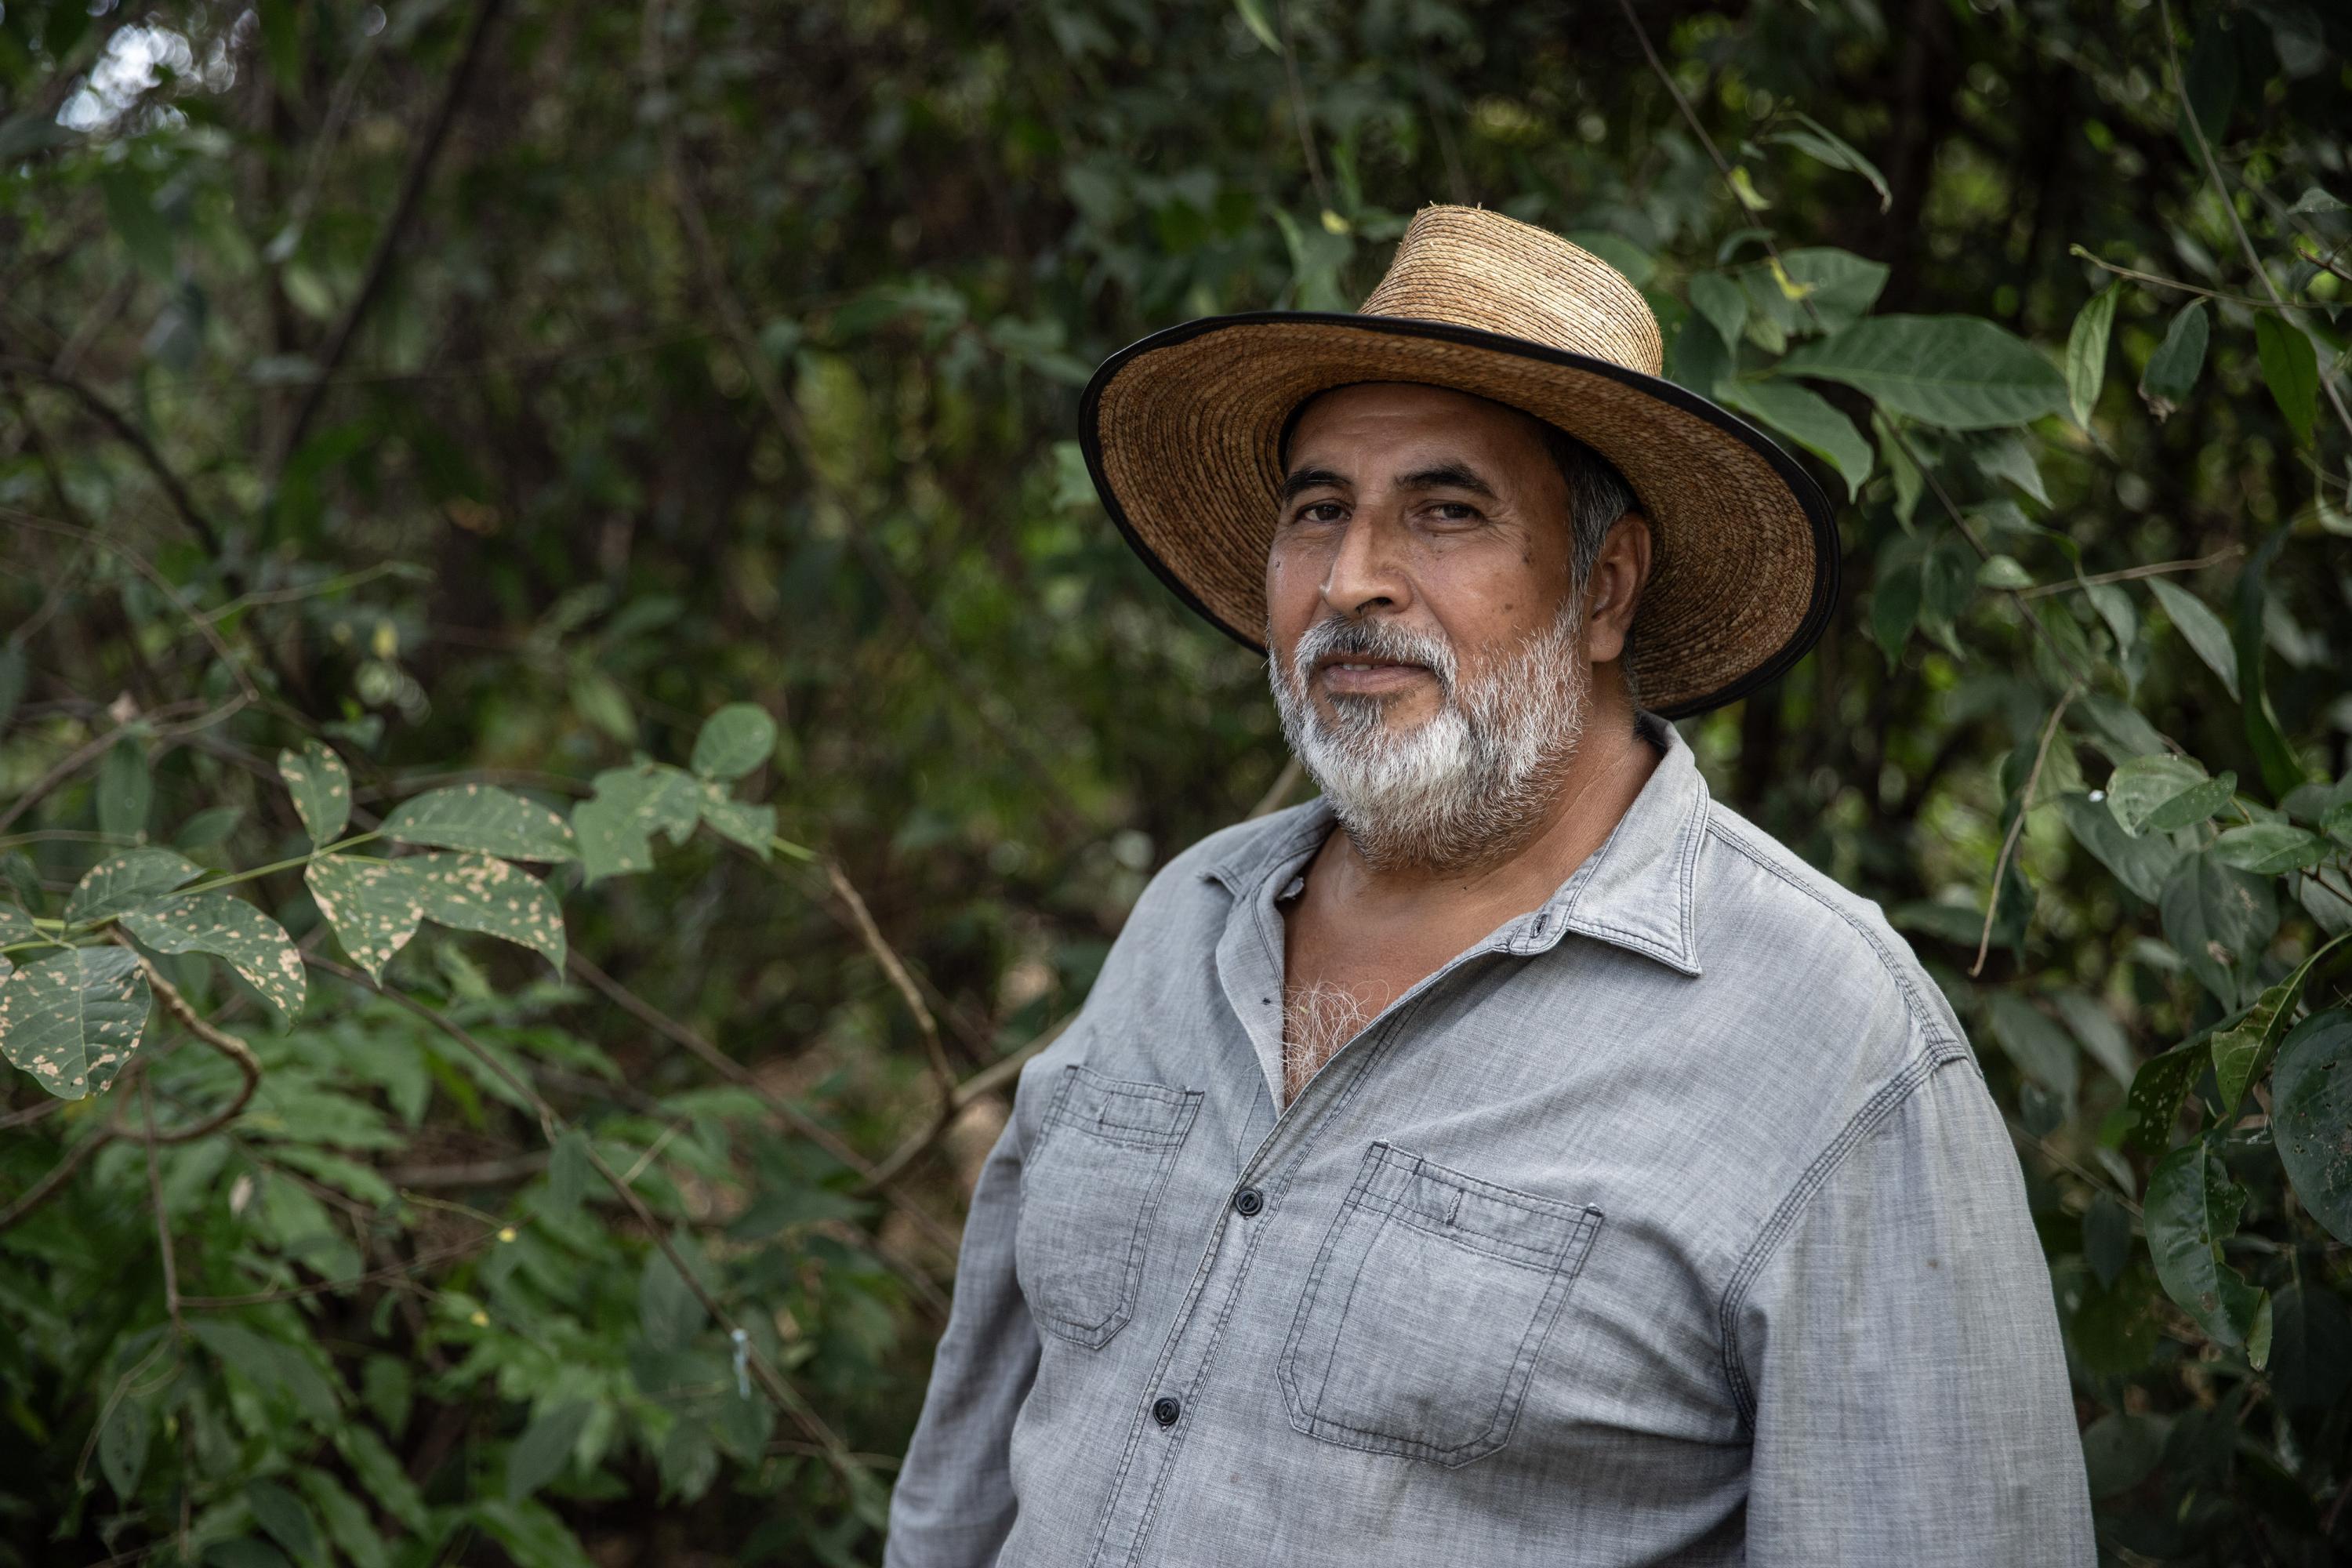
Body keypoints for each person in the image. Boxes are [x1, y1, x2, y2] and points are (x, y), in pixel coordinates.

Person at [884, 205, 2092, 1566]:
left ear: (1606, 588)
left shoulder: (1831, 1039)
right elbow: (958, 1497)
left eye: (1445, 511)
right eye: (1317, 510)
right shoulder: (1189, 918)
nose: (1352, 581)